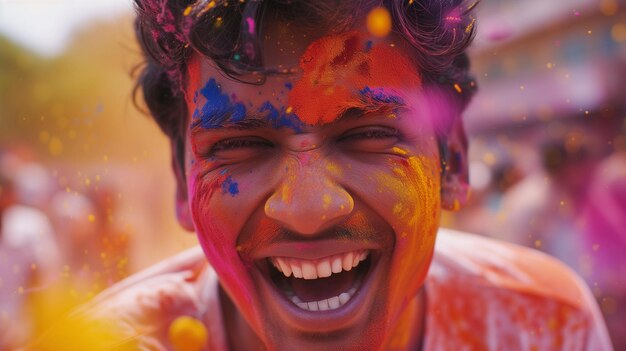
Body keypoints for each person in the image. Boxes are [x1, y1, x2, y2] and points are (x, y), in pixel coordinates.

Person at [30, 0, 612, 350]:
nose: (309, 208)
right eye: (240, 145)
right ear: (184, 187)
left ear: (453, 162)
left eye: (367, 135)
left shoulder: (541, 326)